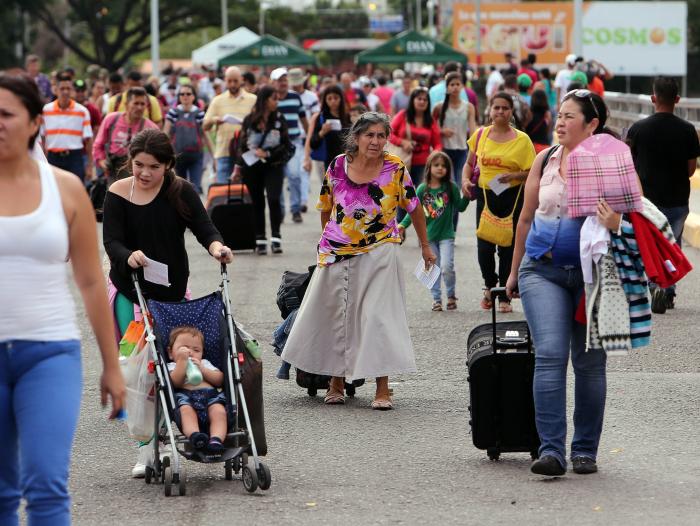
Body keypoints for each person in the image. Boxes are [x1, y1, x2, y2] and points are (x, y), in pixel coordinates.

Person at [0, 72, 125, 526]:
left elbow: (92, 282)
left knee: (46, 486)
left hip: (49, 354)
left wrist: (112, 366)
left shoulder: (65, 188)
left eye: (6, 114)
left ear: (34, 122)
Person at [281, 112, 436, 409]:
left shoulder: (395, 167)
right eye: (369, 135)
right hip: (338, 249)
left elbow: (414, 207)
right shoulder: (338, 165)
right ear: (356, 137)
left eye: (381, 136)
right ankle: (336, 382)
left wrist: (425, 247)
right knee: (338, 315)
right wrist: (325, 240)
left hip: (381, 248)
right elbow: (325, 206)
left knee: (378, 317)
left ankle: (382, 388)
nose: (376, 142)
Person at [102, 128, 232, 477]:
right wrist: (128, 255)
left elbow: (206, 229)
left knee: (175, 367)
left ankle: (178, 425)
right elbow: (111, 240)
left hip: (173, 295)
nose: (144, 173)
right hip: (130, 292)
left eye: (153, 167)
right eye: (138, 164)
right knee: (141, 371)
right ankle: (146, 449)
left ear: (168, 165)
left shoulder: (180, 191)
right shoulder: (117, 192)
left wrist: (217, 247)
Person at [505, 90, 617, 477]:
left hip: (593, 274)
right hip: (542, 269)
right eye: (560, 114)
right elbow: (525, 217)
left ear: (592, 125)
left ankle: (585, 450)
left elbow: (637, 218)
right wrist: (514, 270)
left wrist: (616, 220)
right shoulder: (545, 158)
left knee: (589, 363)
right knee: (551, 355)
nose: (561, 121)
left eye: (571, 116)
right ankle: (551, 451)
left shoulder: (611, 162)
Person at [626, 77, 700, 313]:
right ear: (677, 100)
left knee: (648, 245)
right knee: (672, 245)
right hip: (678, 201)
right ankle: (668, 292)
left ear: (653, 98)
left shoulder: (638, 129)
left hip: (646, 201)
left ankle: (653, 284)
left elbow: (628, 166)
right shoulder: (688, 130)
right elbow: (691, 170)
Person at [463, 92, 536, 312]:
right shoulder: (480, 135)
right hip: (486, 196)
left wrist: (513, 177)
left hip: (512, 198)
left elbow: (533, 171)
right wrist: (465, 180)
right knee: (484, 247)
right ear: (490, 110)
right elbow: (469, 164)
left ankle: (505, 294)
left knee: (508, 247)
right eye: (496, 108)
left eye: (505, 108)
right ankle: (489, 285)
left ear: (511, 112)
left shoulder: (522, 140)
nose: (500, 112)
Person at [398, 151, 469, 311]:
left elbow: (461, 207)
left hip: (446, 236)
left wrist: (466, 195)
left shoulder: (450, 187)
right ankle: (437, 299)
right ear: (429, 168)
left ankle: (451, 296)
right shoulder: (422, 189)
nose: (440, 168)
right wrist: (402, 225)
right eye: (436, 165)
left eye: (444, 166)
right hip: (428, 238)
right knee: (432, 269)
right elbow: (414, 211)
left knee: (446, 267)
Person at [235, 85, 294, 255]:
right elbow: (241, 145)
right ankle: (260, 238)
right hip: (252, 166)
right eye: (274, 98)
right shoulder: (249, 119)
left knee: (274, 198)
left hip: (273, 165)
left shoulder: (279, 118)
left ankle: (276, 237)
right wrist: (237, 168)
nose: (277, 102)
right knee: (257, 202)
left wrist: (268, 152)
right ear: (264, 100)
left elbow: (285, 144)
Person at [167, 326, 227, 451]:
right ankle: (195, 436)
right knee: (185, 411)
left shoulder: (204, 363)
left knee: (219, 412)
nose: (190, 352)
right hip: (186, 398)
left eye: (196, 349)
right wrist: (182, 362)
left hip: (210, 396)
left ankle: (216, 439)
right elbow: (175, 383)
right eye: (184, 348)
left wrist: (203, 370)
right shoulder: (172, 365)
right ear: (170, 353)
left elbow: (220, 380)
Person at [432, 71, 476, 229]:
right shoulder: (439, 107)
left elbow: (473, 131)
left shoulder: (468, 107)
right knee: (441, 189)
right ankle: (436, 225)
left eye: (458, 84)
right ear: (447, 87)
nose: (455, 87)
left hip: (461, 153)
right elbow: (432, 128)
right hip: (444, 153)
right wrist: (442, 131)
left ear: (462, 86)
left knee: (456, 189)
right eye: (452, 84)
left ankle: (451, 228)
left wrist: (475, 152)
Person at [390, 88, 442, 220]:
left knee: (422, 196)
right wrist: (402, 142)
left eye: (425, 99)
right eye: (419, 98)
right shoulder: (403, 115)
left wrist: (435, 153)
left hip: (423, 164)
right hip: (403, 163)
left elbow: (438, 143)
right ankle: (400, 227)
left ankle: (424, 229)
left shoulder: (430, 120)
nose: (422, 101)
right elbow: (389, 133)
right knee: (403, 195)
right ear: (412, 100)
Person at [93, 86, 159, 184]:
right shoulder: (111, 120)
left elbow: (158, 155)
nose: (140, 107)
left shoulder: (151, 128)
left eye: (142, 104)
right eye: (136, 103)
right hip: (113, 172)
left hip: (138, 177)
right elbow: (98, 145)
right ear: (127, 105)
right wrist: (102, 162)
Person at [202, 66, 256, 183]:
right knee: (223, 192)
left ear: (241, 80)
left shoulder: (253, 100)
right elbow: (205, 125)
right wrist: (216, 120)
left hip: (247, 153)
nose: (232, 84)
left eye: (235, 81)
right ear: (225, 81)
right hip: (223, 152)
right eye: (229, 81)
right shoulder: (217, 100)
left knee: (247, 192)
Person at [271, 67, 309, 223]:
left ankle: (295, 210)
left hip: (294, 143)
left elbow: (304, 120)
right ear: (273, 82)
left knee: (294, 176)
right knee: (277, 179)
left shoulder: (295, 97)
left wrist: (309, 141)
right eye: (280, 80)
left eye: (285, 80)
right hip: (275, 145)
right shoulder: (270, 100)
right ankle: (279, 211)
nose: (283, 83)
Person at [41, 73, 94, 182]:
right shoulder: (46, 110)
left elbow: (88, 140)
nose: (65, 91)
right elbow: (42, 138)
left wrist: (89, 166)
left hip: (74, 158)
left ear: (72, 90)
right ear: (56, 90)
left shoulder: (82, 111)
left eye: (68, 88)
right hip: (53, 158)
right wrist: (42, 161)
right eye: (62, 88)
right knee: (53, 192)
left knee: (75, 193)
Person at [163, 85, 214, 194]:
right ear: (179, 97)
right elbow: (165, 134)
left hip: (196, 156)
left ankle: (194, 210)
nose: (185, 96)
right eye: (182, 94)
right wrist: (163, 155)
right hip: (177, 157)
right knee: (179, 188)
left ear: (193, 97)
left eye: (188, 94)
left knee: (195, 188)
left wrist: (214, 157)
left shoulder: (199, 113)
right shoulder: (173, 113)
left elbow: (206, 135)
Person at [289, 68, 319, 211]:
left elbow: (315, 116)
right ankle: (298, 199)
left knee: (304, 169)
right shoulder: (288, 97)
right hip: (292, 137)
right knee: (294, 173)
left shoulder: (311, 97)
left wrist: (313, 135)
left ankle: (303, 201)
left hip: (306, 136)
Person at [305, 84, 352, 172]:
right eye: (329, 98)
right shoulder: (321, 117)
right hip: (326, 162)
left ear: (341, 99)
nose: (333, 101)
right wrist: (322, 132)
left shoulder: (346, 117)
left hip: (346, 162)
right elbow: (312, 143)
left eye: (336, 98)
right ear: (325, 100)